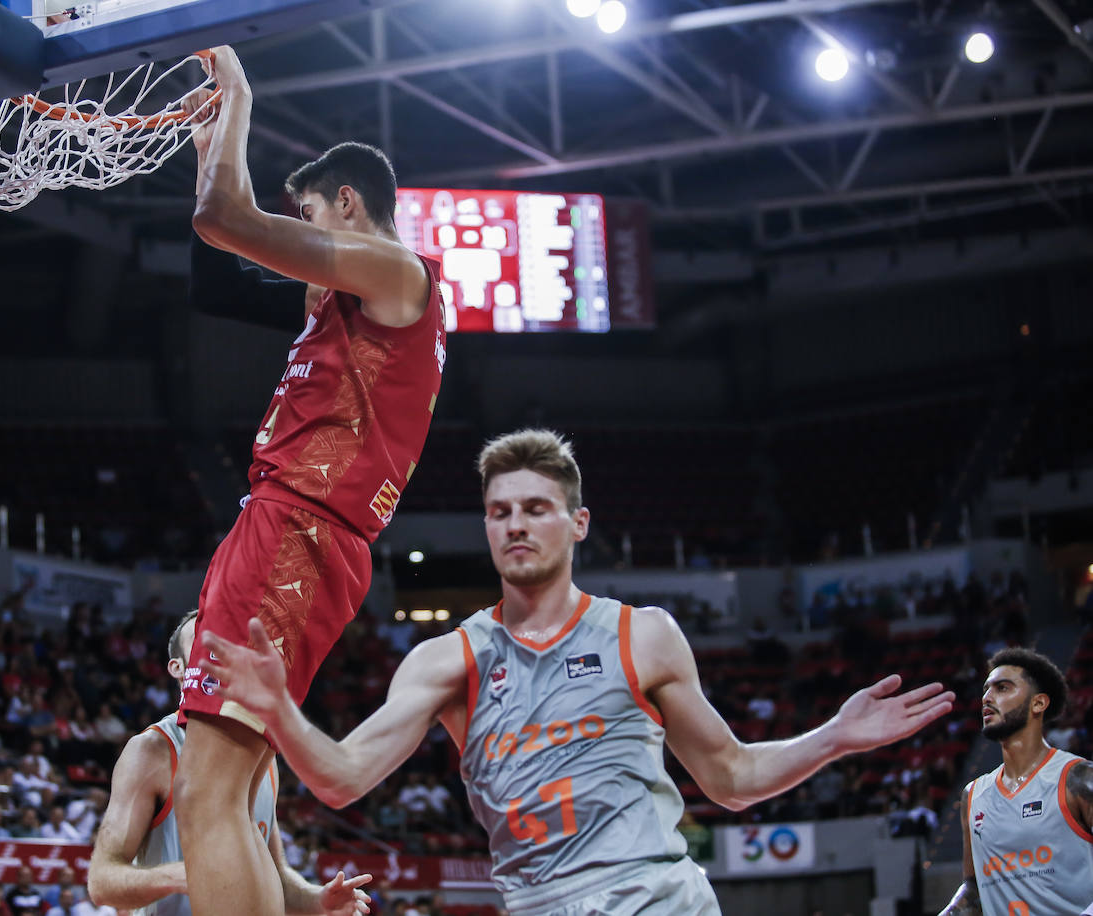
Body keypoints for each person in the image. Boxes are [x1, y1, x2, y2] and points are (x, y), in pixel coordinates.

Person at [203, 429, 956, 916]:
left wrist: (836, 737)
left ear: (578, 522)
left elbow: (729, 777)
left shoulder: (645, 636)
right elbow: (341, 779)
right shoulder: (449, 658)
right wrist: (279, 709)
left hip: (655, 896)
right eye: (499, 512)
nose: (516, 525)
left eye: (536, 507)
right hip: (539, 902)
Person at [172, 43, 446, 916]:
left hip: (299, 527)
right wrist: (205, 143)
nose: (303, 235)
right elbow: (216, 275)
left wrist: (237, 100)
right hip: (305, 531)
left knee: (207, 797)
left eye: (309, 216)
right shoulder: (346, 305)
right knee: (236, 797)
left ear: (347, 204)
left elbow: (226, 217)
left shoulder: (397, 274)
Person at [87, 612, 371, 916]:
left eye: (225, 644)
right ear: (178, 668)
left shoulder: (262, 755)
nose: (215, 656)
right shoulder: (153, 750)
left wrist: (317, 900)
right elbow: (102, 882)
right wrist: (184, 874)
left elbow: (275, 879)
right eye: (203, 647)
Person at [941, 647, 1093, 914]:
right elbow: (975, 888)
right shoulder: (973, 794)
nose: (987, 698)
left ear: (1038, 703)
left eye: (1002, 688)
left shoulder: (1078, 779)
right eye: (986, 689)